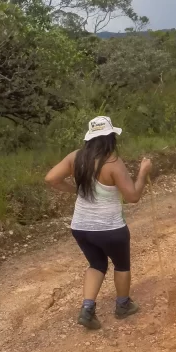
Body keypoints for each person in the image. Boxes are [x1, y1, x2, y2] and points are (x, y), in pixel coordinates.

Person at [45, 115, 151, 330]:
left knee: (96, 264)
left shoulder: (75, 158)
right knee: (121, 265)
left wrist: (75, 190)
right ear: (111, 138)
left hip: (81, 227)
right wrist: (142, 173)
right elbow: (132, 197)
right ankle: (122, 306)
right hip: (110, 228)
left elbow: (51, 179)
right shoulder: (112, 162)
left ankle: (87, 308)